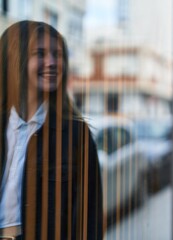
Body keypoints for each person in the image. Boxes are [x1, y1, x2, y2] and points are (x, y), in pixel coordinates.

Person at [0, 21, 103, 239]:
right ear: (14, 60)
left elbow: (89, 223)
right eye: (40, 53)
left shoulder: (77, 136)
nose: (52, 62)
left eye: (57, 55)